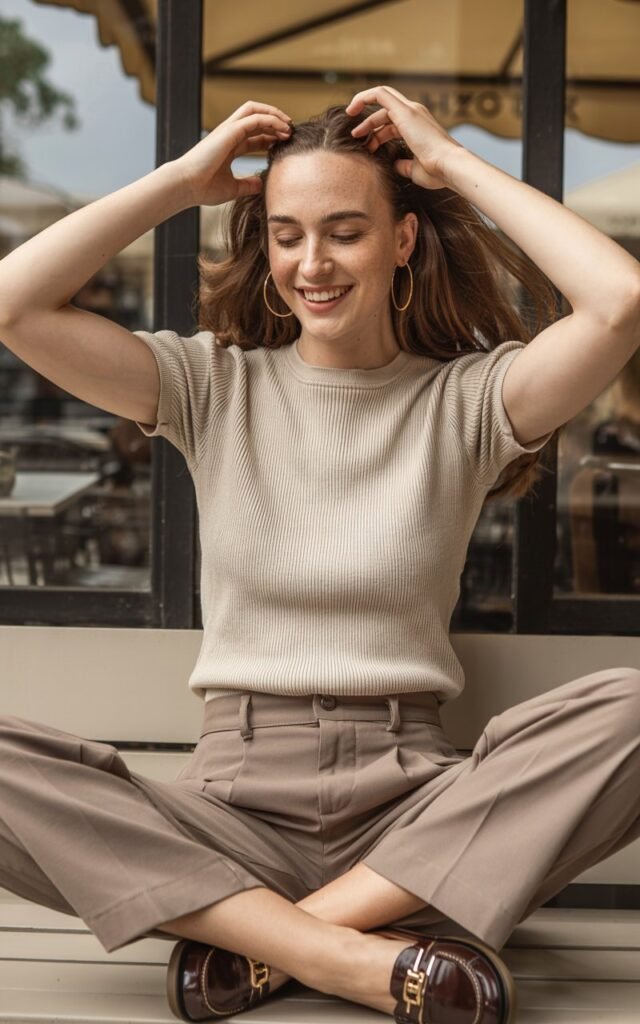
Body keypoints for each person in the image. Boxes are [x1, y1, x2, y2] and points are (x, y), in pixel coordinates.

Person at [0, 84, 639, 1024]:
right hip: (230, 817)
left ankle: (267, 943)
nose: (312, 263)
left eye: (345, 230)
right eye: (288, 233)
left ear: (403, 240)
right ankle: (343, 956)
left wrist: (452, 162)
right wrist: (182, 181)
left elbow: (620, 304)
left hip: (416, 814)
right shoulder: (207, 386)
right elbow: (13, 306)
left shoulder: (468, 402)